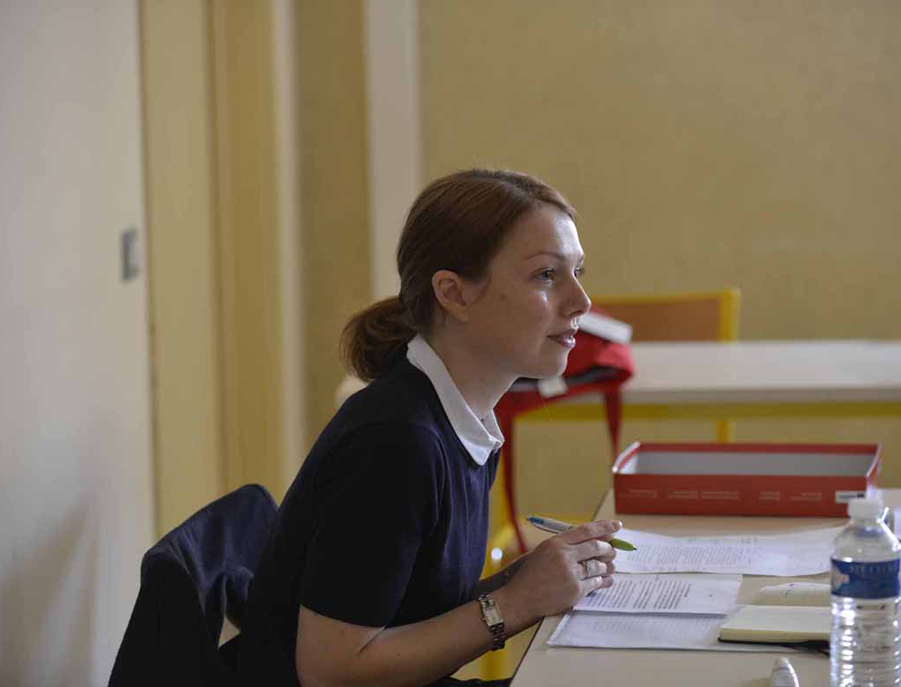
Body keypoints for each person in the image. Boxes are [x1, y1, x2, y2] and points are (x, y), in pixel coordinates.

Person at [240, 169, 623, 687]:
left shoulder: (461, 418)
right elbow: (330, 672)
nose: (581, 302)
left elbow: (414, 610)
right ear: (454, 294)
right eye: (546, 275)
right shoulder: (396, 444)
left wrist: (534, 580)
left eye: (577, 271)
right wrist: (515, 601)